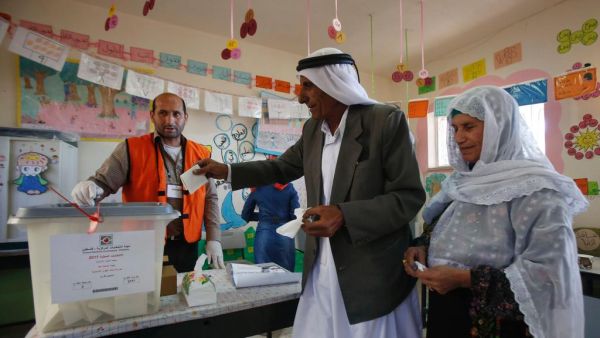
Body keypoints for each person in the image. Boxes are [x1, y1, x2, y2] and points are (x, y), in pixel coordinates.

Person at [195, 48, 425, 338]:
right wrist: (227, 170)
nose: (301, 97)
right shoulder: (313, 129)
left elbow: (408, 197)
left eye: (307, 86)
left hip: (370, 273)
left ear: (333, 83)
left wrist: (344, 214)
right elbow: (282, 167)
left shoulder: (384, 122)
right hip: (322, 267)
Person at [403, 86, 588, 338]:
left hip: (497, 324)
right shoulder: (462, 183)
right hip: (446, 312)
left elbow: (550, 275)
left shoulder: (537, 190)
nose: (458, 138)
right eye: (455, 128)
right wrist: (422, 246)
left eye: (469, 127)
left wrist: (464, 278)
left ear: (499, 128)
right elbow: (442, 227)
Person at [71, 92, 225, 273]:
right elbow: (103, 182)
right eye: (163, 113)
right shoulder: (131, 148)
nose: (170, 120)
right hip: (143, 242)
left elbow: (210, 198)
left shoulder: (201, 153)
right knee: (145, 297)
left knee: (183, 295)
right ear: (152, 115)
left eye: (176, 114)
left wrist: (214, 238)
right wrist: (91, 187)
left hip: (186, 245)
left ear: (185, 117)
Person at [241, 159, 300, 271]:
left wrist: (264, 218)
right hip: (285, 234)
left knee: (263, 274)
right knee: (286, 275)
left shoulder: (257, 188)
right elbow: (295, 216)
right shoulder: (289, 188)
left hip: (264, 235)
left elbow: (245, 216)